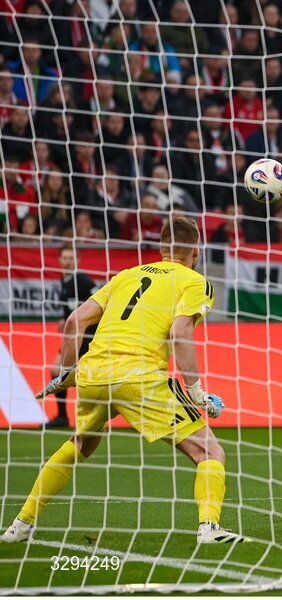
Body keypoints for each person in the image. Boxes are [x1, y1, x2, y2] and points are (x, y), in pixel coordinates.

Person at [2, 216, 245, 545]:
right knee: (208, 451)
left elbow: (75, 321)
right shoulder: (195, 281)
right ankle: (208, 527)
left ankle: (21, 524)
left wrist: (67, 373)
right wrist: (196, 391)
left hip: (93, 373)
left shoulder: (126, 276)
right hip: (139, 376)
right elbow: (180, 332)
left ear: (160, 248)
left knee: (80, 444)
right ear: (196, 251)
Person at [39, 244, 98, 429]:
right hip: (75, 335)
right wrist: (64, 319)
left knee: (63, 372)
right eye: (65, 258)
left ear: (78, 260)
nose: (67, 261)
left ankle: (83, 417)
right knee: (58, 371)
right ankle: (64, 417)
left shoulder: (83, 281)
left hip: (88, 336)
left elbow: (100, 305)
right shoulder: (65, 280)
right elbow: (74, 309)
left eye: (71, 258)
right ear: (59, 260)